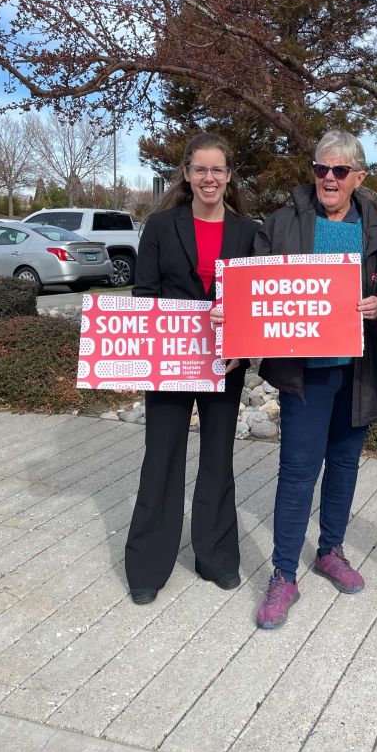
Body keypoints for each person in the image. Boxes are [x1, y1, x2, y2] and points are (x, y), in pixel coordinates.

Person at [251, 130, 377, 629]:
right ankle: (282, 575)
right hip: (306, 373)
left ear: (359, 176)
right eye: (321, 169)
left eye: (339, 171)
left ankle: (330, 550)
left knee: (344, 465)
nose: (329, 179)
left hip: (358, 371)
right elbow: (254, 289)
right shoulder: (282, 224)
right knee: (297, 472)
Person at [124, 132, 258, 604]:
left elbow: (255, 299)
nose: (208, 178)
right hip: (170, 359)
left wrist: (241, 335)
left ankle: (216, 557)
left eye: (217, 169)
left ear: (228, 176)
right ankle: (147, 566)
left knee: (218, 460)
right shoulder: (160, 226)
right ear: (186, 174)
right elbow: (144, 295)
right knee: (161, 459)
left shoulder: (247, 231)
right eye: (200, 169)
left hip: (225, 361)